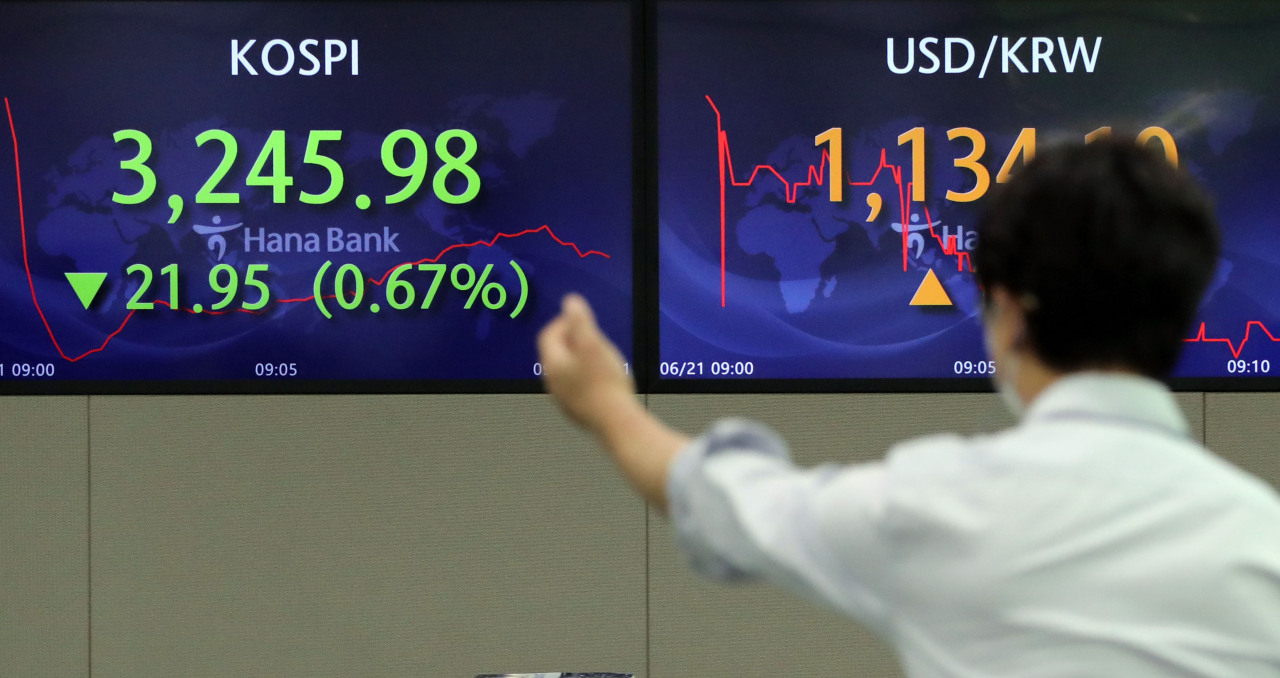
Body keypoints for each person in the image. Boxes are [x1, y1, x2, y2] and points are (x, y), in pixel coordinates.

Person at [536, 140, 1280, 677]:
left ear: (1011, 316)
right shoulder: (1264, 540)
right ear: (1183, 313)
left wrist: (608, 407)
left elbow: (728, 504)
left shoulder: (934, 505)